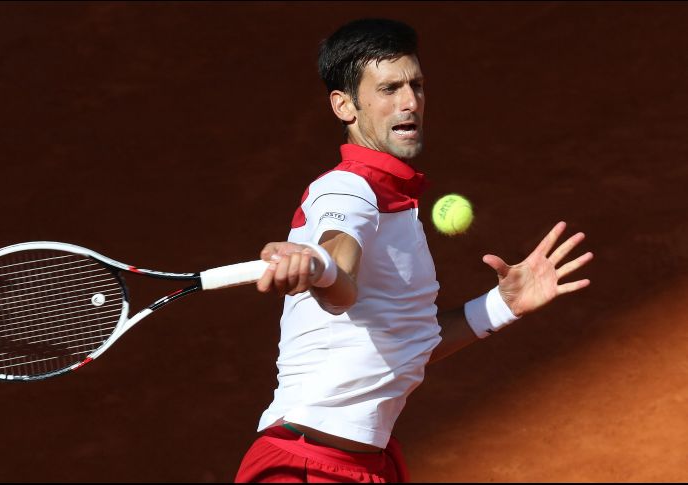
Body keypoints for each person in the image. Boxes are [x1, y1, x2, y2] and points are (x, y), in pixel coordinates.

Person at [235, 18, 593, 483]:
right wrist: (320, 267)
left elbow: (407, 342)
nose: (410, 103)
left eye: (416, 85)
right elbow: (339, 279)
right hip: (304, 466)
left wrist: (502, 306)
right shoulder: (348, 190)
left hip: (367, 463)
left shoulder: (397, 206)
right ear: (345, 106)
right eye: (388, 89)